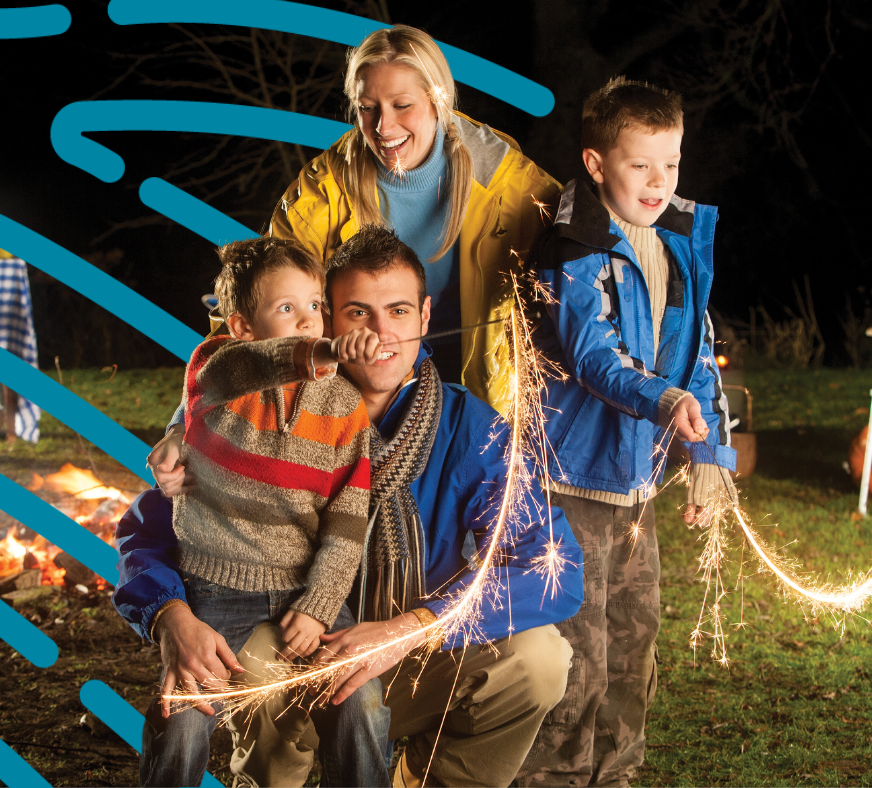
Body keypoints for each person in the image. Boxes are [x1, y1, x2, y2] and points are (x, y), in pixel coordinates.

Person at [114, 225, 585, 787]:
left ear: (426, 317)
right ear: (326, 323)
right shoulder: (255, 410)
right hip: (294, 648)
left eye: (400, 311)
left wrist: (413, 627)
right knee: (264, 652)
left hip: (414, 653)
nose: (382, 332)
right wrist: (170, 617)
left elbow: (555, 569)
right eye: (357, 312)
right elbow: (147, 529)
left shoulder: (472, 429)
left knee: (540, 660)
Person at [517, 78, 737, 787]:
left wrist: (707, 458)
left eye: (669, 164)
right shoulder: (572, 244)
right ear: (595, 162)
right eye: (640, 164)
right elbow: (592, 357)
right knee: (577, 654)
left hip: (635, 486)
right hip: (569, 482)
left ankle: (617, 775)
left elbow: (696, 353)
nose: (658, 182)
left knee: (632, 648)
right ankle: (558, 778)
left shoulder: (678, 242)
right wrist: (665, 399)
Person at [130, 237, 390, 787]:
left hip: (302, 589)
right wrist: (326, 351)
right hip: (213, 592)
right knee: (182, 717)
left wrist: (321, 604)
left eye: (315, 305)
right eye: (286, 308)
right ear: (241, 325)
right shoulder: (218, 372)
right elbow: (251, 364)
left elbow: (348, 520)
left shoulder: (344, 408)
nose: (307, 321)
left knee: (361, 701)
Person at [268, 24, 561, 405]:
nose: (383, 127)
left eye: (402, 105)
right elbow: (258, 303)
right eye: (367, 108)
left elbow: (587, 275)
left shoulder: (511, 186)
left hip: (484, 397)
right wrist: (183, 422)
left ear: (437, 99)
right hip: (362, 396)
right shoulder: (320, 194)